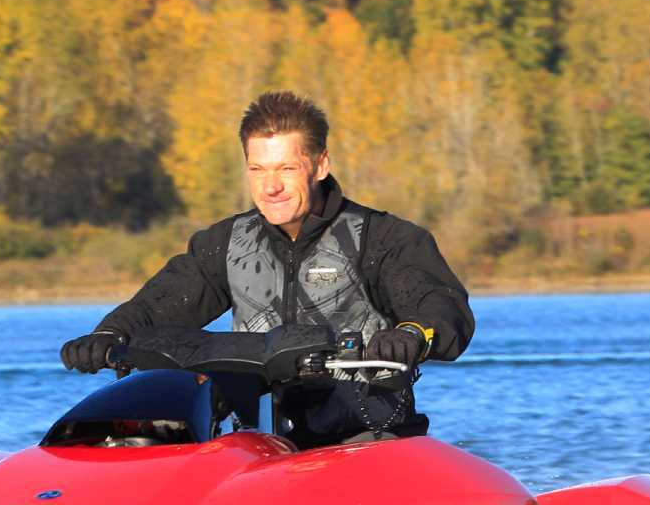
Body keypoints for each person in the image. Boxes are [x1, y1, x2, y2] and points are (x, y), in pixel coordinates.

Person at [59, 90, 473, 442]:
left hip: (365, 439)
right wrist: (108, 334)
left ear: (321, 165)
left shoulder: (383, 239)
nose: (270, 186)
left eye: (286, 169)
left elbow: (439, 305)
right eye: (257, 169)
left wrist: (412, 334)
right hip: (261, 445)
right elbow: (158, 306)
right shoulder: (223, 244)